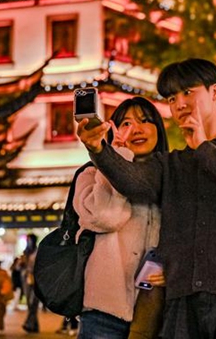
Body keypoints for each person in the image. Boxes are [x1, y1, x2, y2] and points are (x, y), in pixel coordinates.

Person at [78, 59, 216, 338]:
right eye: (172, 98)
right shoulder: (172, 164)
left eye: (188, 92)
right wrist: (98, 148)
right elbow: (132, 180)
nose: (180, 104)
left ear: (214, 92)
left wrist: (204, 148)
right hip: (183, 301)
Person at [73, 97, 167, 339]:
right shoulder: (90, 175)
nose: (136, 129)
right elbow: (107, 217)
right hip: (105, 312)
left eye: (145, 121)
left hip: (155, 309)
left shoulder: (172, 178)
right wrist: (117, 157)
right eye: (126, 123)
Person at [21, 234, 39, 334]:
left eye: (30, 240)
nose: (28, 242)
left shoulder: (38, 252)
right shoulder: (26, 252)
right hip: (26, 278)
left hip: (36, 279)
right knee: (29, 303)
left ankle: (28, 323)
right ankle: (35, 326)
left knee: (33, 303)